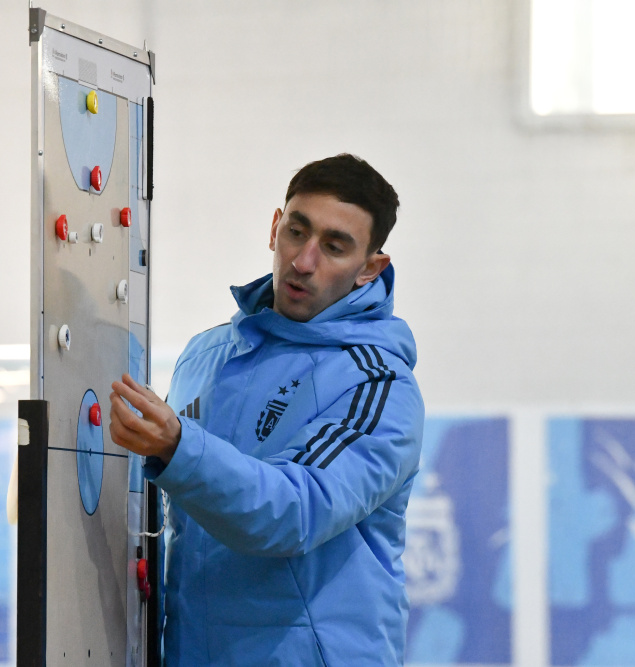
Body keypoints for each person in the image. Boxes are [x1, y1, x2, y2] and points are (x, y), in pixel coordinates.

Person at [109, 154, 424, 666]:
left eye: (334, 247)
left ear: (370, 268)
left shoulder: (378, 385)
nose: (303, 261)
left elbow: (295, 513)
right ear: (275, 227)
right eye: (297, 232)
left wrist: (177, 447)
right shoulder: (205, 356)